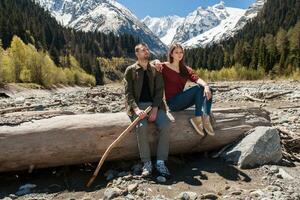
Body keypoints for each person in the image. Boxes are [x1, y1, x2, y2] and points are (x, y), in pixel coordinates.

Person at [124, 43, 171, 177]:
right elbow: (128, 93)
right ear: (137, 54)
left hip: (154, 104)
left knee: (166, 125)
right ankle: (147, 163)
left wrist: (155, 108)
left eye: (147, 50)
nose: (146, 52)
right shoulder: (130, 70)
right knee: (141, 127)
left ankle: (161, 162)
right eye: (143, 50)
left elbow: (159, 90)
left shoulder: (155, 69)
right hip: (137, 106)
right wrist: (136, 109)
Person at [154, 43, 215, 136]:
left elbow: (197, 79)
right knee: (198, 89)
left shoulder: (186, 69)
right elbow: (150, 64)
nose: (179, 54)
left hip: (182, 101)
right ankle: (197, 118)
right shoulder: (164, 67)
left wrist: (206, 86)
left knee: (207, 88)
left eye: (181, 52)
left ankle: (206, 118)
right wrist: (156, 60)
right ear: (171, 54)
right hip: (173, 103)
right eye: (176, 52)